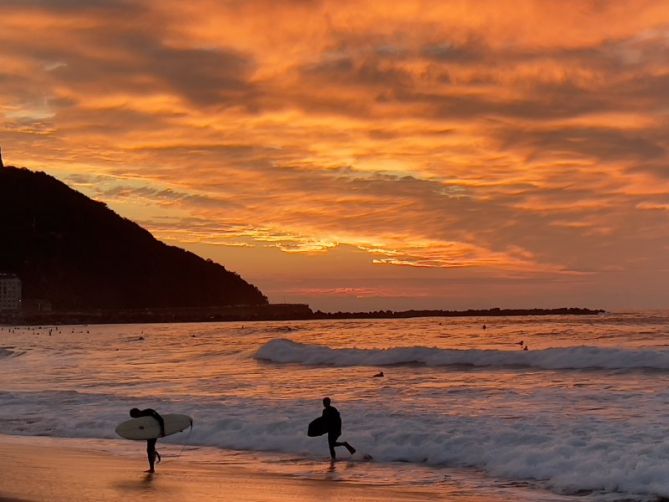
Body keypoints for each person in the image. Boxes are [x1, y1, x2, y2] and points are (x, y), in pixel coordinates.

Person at [129, 408, 165, 472]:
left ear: (138, 412)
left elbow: (160, 419)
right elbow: (145, 427)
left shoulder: (149, 412)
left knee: (149, 449)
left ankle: (152, 468)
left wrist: (162, 431)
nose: (136, 418)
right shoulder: (141, 418)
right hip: (150, 433)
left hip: (155, 431)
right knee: (150, 448)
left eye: (135, 416)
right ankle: (152, 464)